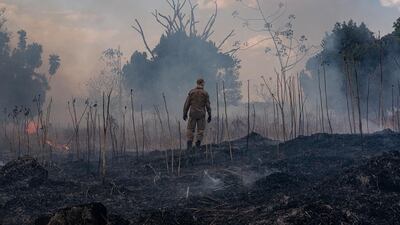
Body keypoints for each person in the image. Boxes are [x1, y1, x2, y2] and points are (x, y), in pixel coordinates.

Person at [183, 78, 212, 149]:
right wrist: (209, 115)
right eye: (203, 83)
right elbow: (208, 105)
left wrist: (184, 113)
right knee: (200, 130)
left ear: (197, 83)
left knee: (190, 129)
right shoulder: (205, 93)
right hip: (201, 114)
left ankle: (189, 146)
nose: (204, 84)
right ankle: (198, 145)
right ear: (202, 83)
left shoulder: (191, 92)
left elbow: (187, 104)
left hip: (192, 114)